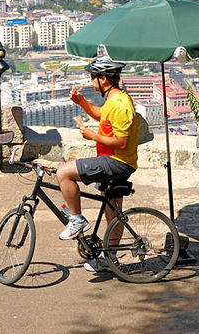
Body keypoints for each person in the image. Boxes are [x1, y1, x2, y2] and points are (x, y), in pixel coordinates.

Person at [57, 56, 138, 273]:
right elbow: (101, 114)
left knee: (63, 173)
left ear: (104, 79)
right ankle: (110, 259)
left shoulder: (120, 104)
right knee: (113, 211)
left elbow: (121, 143)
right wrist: (81, 101)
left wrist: (93, 136)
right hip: (115, 161)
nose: (92, 81)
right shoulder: (114, 100)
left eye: (94, 77)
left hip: (116, 161)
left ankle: (76, 220)